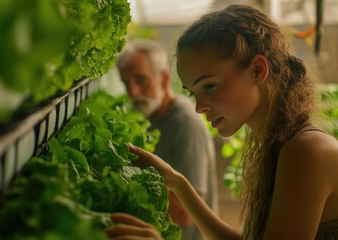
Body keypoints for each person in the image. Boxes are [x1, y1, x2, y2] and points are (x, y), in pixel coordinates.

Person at [105, 4, 338, 240]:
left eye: (209, 86)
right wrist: (177, 183)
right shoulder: (281, 145)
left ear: (257, 69)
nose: (199, 107)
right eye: (193, 93)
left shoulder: (306, 151)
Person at [115, 39, 219, 240]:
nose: (132, 92)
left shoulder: (184, 123)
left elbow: (185, 213)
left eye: (141, 80)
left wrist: (117, 192)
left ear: (163, 79)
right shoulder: (150, 113)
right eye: (126, 83)